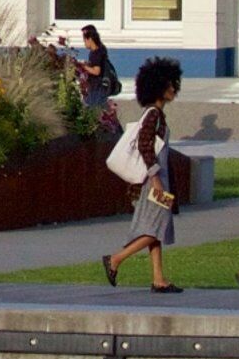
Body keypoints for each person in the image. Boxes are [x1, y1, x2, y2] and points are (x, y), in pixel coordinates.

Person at [99, 56, 187, 293]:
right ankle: (116, 259)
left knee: (157, 230)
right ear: (158, 87)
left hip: (156, 179)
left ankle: (159, 279)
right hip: (154, 181)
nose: (173, 89)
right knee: (156, 228)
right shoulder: (154, 116)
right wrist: (157, 179)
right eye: (169, 85)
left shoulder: (155, 114)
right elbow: (145, 145)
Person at [48, 25, 117, 135]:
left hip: (96, 87)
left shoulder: (97, 53)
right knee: (100, 111)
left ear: (90, 39)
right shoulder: (101, 50)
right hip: (98, 87)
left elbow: (96, 71)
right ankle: (111, 130)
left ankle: (105, 133)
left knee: (92, 112)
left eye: (84, 40)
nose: (84, 43)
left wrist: (83, 66)